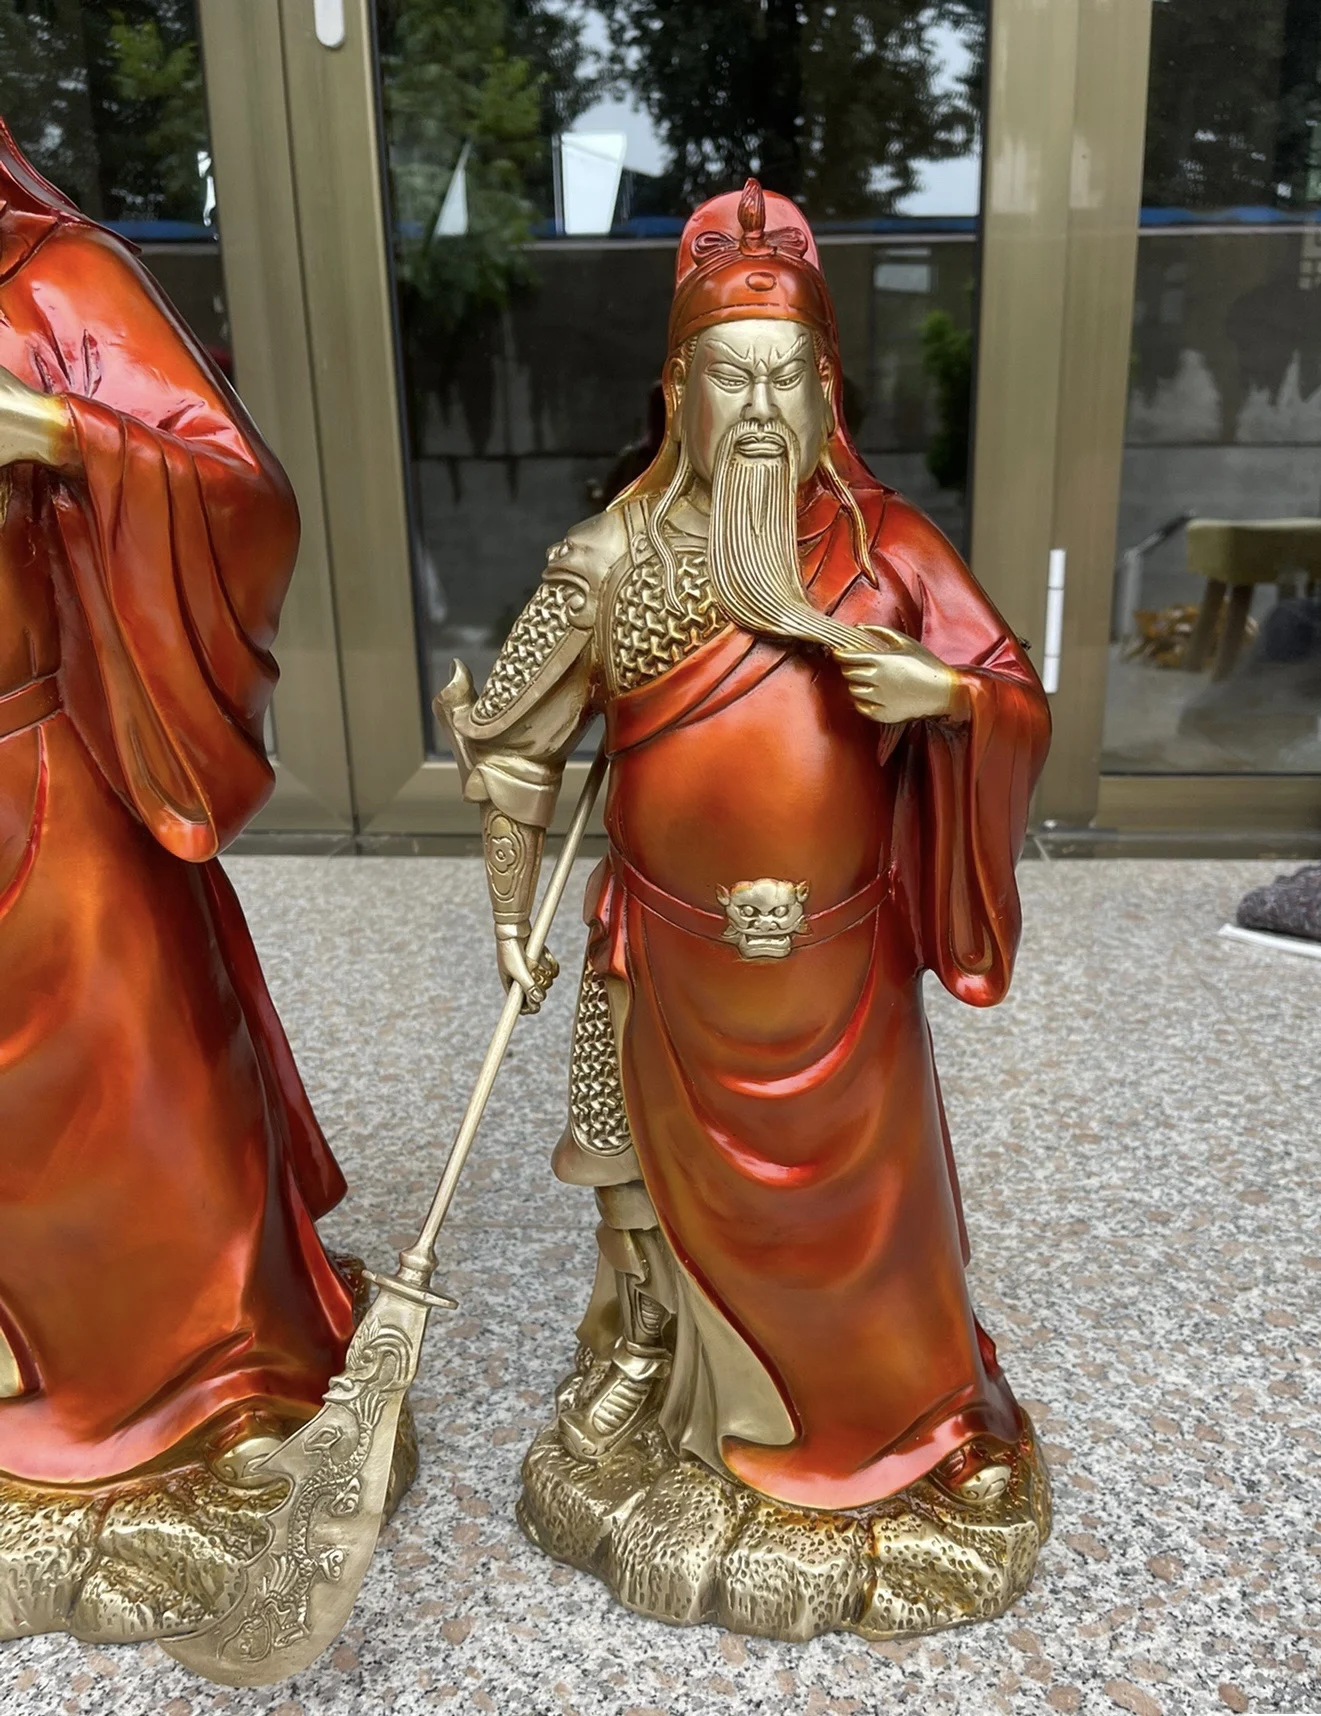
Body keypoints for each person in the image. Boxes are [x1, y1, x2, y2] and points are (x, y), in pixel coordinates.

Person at [442, 179, 1049, 1554]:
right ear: (679, 396)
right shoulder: (606, 560)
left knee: (878, 1218)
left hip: (840, 973)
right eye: (731, 376)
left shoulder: (890, 556)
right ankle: (643, 1360)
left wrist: (949, 698)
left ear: (828, 395)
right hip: (662, 961)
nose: (762, 409)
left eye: (790, 378)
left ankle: (920, 1410)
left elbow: (1012, 695)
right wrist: (508, 921)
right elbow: (515, 749)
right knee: (633, 1187)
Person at [0, 121, 353, 1487]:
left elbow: (236, 490)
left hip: (45, 765)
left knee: (135, 1074)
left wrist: (54, 434)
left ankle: (206, 1367)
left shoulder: (60, 278)